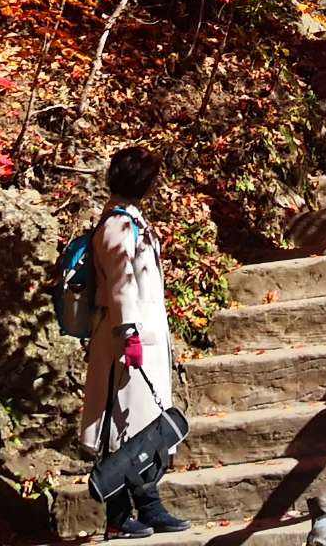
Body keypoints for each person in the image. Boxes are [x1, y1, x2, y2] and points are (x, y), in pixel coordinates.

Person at [78, 147, 191, 538]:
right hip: (123, 342)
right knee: (121, 428)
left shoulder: (129, 220)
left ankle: (148, 505)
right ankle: (117, 515)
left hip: (142, 338)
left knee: (143, 428)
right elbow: (121, 286)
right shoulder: (117, 226)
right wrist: (128, 335)